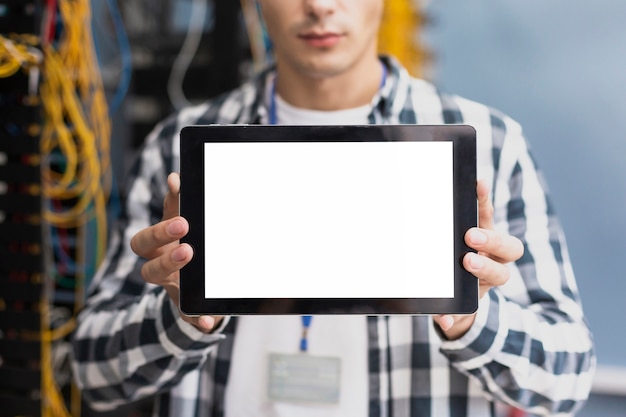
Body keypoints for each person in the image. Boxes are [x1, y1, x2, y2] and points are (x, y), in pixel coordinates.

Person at [71, 0, 595, 416]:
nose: (320, 5)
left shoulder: (490, 147)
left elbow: (566, 381)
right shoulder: (181, 148)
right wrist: (181, 319)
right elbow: (94, 376)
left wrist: (469, 319)